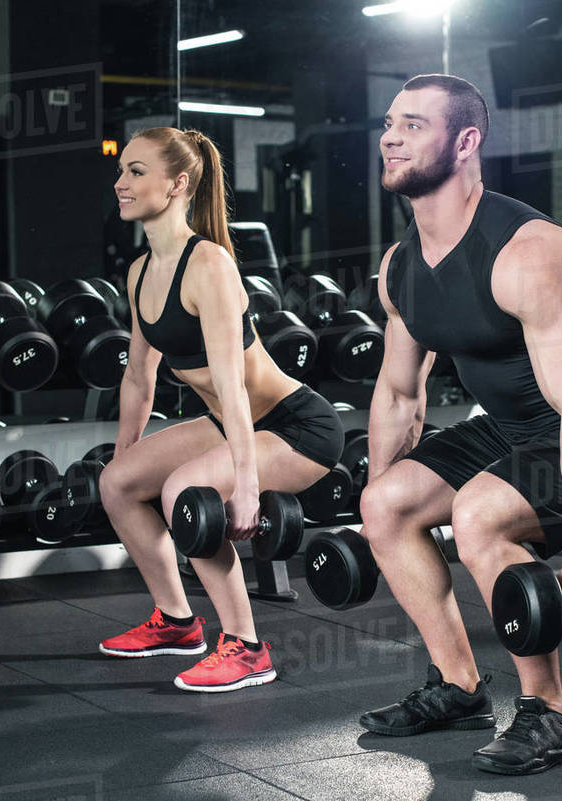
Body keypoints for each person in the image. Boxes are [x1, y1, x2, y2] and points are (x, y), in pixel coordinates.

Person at [356, 74, 562, 775]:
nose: (391, 137)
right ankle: (459, 686)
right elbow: (399, 392)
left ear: (467, 141)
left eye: (414, 125)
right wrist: (380, 519)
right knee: (383, 504)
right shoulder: (400, 266)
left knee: (477, 514)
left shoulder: (530, 252)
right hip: (510, 428)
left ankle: (552, 712)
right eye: (389, 123)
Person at [97, 127, 344, 692]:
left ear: (178, 183)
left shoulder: (208, 264)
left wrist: (247, 487)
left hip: (295, 426)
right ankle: (179, 622)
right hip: (231, 423)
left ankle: (248, 646)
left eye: (137, 172)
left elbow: (232, 385)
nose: (121, 183)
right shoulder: (140, 272)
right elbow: (139, 376)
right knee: (116, 484)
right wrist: (126, 458)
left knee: (184, 492)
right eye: (122, 171)